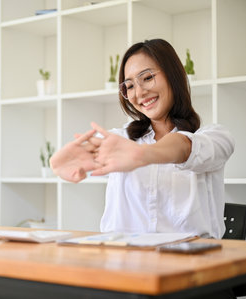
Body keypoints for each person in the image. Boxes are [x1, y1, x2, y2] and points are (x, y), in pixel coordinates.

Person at [50, 39, 235, 240]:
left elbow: (183, 147)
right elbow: (83, 157)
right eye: (129, 86)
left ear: (173, 76)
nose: (138, 93)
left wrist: (142, 155)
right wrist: (61, 163)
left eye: (147, 78)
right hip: (122, 262)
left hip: (192, 262)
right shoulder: (120, 139)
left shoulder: (216, 137)